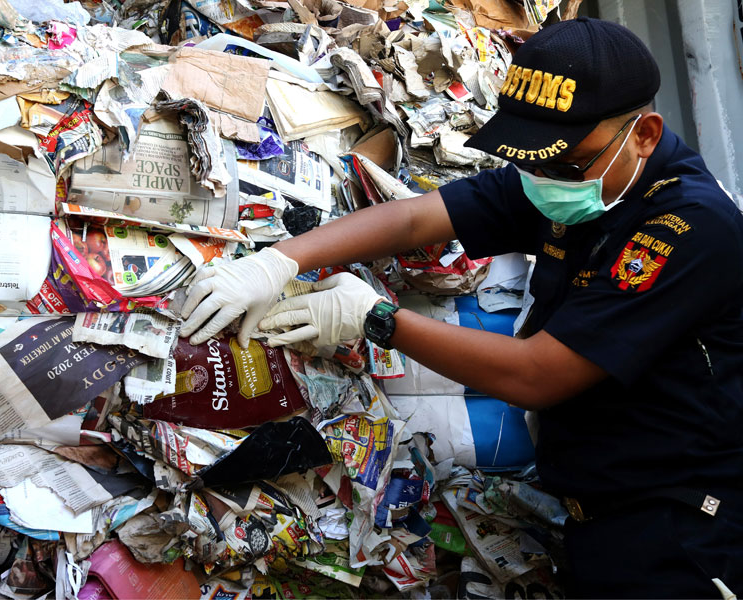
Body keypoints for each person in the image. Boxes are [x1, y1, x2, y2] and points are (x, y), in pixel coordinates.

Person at [179, 17, 743, 598]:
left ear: (644, 134)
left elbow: (538, 374)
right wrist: (276, 263)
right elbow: (417, 216)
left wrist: (376, 318)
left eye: (562, 164)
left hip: (681, 531)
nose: (543, 179)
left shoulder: (687, 229)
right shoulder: (578, 177)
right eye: (532, 162)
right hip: (597, 517)